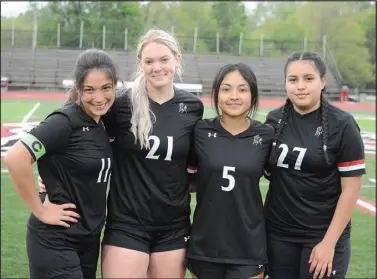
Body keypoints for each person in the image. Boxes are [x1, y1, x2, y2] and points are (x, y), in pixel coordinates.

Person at [4, 49, 117, 278]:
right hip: (55, 240)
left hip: (88, 240)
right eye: (89, 89)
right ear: (78, 88)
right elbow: (16, 157)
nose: (99, 97)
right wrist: (41, 210)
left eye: (106, 88)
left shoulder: (102, 122)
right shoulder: (63, 122)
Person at [100, 29, 204, 278]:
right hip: (127, 223)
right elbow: (87, 141)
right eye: (149, 61)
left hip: (173, 227)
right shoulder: (121, 104)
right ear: (140, 63)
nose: (157, 67)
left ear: (176, 60)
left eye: (164, 60)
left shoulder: (192, 107)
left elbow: (193, 163)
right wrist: (52, 179)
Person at [264, 51, 366, 279]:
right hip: (278, 234)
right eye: (293, 80)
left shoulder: (343, 125)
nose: (300, 86)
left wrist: (329, 243)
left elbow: (351, 190)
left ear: (323, 81)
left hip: (322, 235)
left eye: (308, 78)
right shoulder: (273, 120)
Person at [186, 63, 274, 279]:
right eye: (226, 89)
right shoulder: (200, 131)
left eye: (242, 89)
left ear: (253, 95)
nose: (234, 96)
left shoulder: (266, 135)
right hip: (205, 244)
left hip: (248, 246)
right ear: (216, 94)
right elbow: (188, 180)